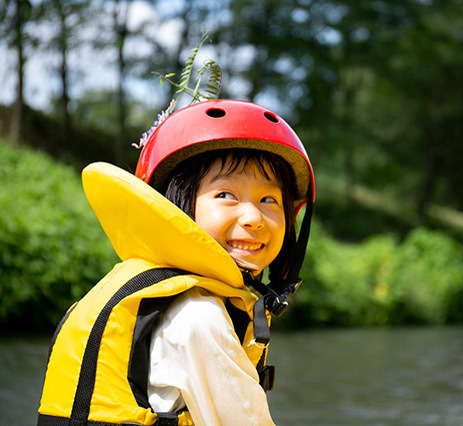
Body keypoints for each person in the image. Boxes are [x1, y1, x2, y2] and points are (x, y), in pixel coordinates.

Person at [37, 99, 314, 426]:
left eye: (269, 199)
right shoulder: (198, 317)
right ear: (176, 205)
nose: (254, 218)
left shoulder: (149, 292)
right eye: (226, 195)